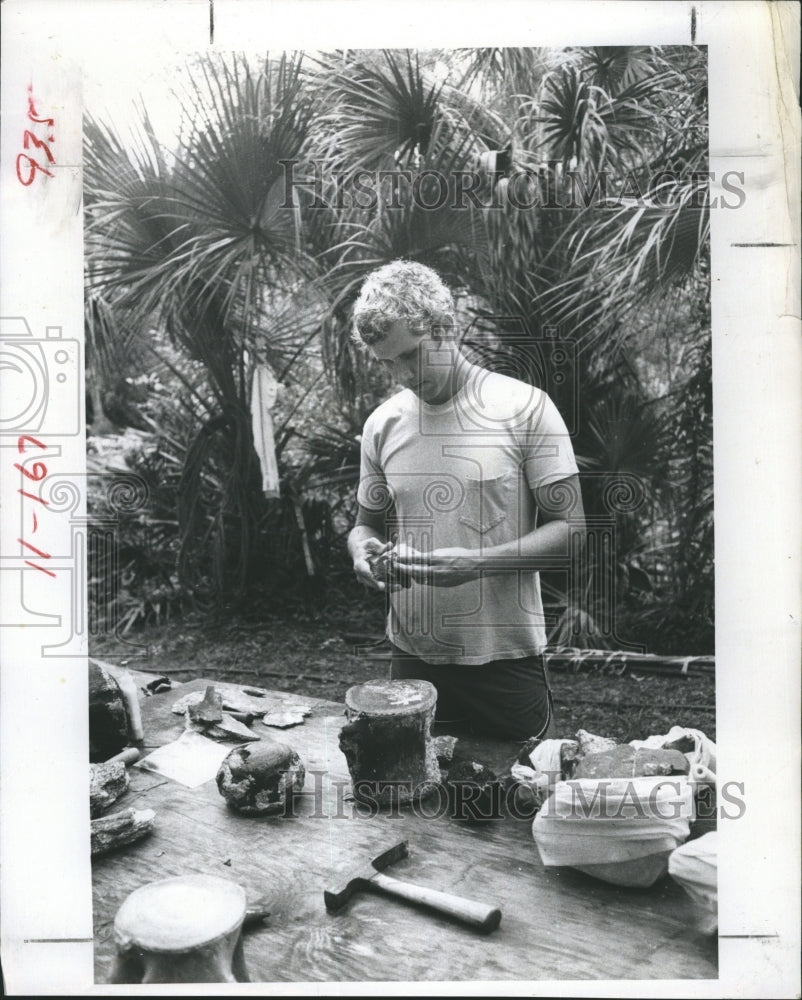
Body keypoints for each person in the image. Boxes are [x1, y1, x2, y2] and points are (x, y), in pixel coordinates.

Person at [347, 260, 584, 740]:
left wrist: (475, 562)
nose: (402, 375)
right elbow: (365, 523)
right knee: (407, 804)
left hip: (504, 658)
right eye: (387, 362)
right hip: (410, 657)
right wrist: (361, 552)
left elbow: (572, 532)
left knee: (516, 804)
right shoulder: (382, 424)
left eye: (411, 356)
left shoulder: (525, 409)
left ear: (444, 328)